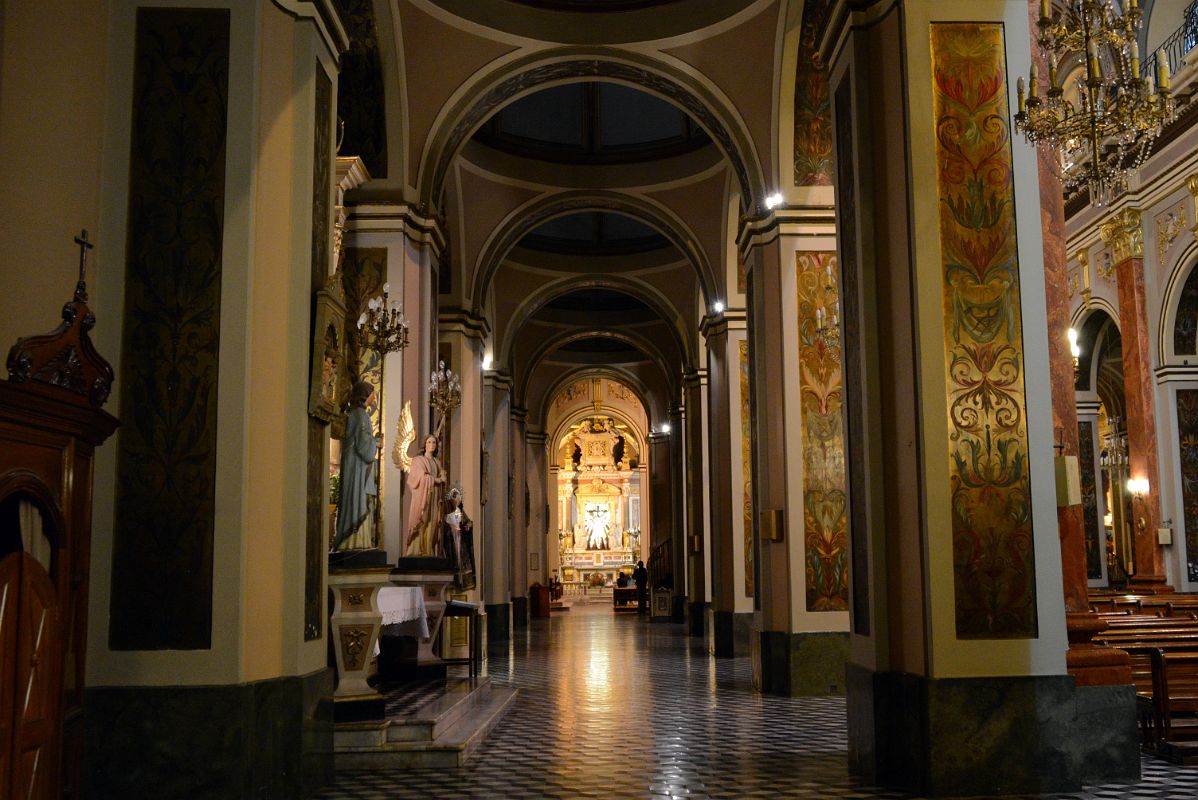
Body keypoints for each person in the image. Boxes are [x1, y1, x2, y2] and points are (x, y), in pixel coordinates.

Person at [333, 380, 381, 551]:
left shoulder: (355, 413)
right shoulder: (360, 415)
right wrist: (376, 443)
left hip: (354, 462)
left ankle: (355, 540)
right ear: (365, 395)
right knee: (357, 499)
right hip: (357, 465)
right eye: (372, 393)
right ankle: (354, 541)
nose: (374, 397)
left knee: (356, 499)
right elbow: (362, 444)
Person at [404, 434, 447, 557]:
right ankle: (417, 550)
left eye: (434, 442)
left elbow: (441, 477)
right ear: (424, 444)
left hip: (434, 496)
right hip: (423, 496)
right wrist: (438, 480)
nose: (432, 445)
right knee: (422, 519)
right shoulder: (418, 460)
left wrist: (443, 476)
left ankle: (428, 549)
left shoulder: (437, 462)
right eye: (429, 442)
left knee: (432, 521)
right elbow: (420, 478)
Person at [441, 487, 476, 590]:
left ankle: (462, 582)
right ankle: (454, 582)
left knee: (461, 561)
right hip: (451, 541)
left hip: (460, 541)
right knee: (454, 561)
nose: (456, 501)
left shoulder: (459, 511)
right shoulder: (445, 511)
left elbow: (467, 522)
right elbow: (444, 525)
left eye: (457, 498)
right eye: (454, 498)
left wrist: (468, 525)